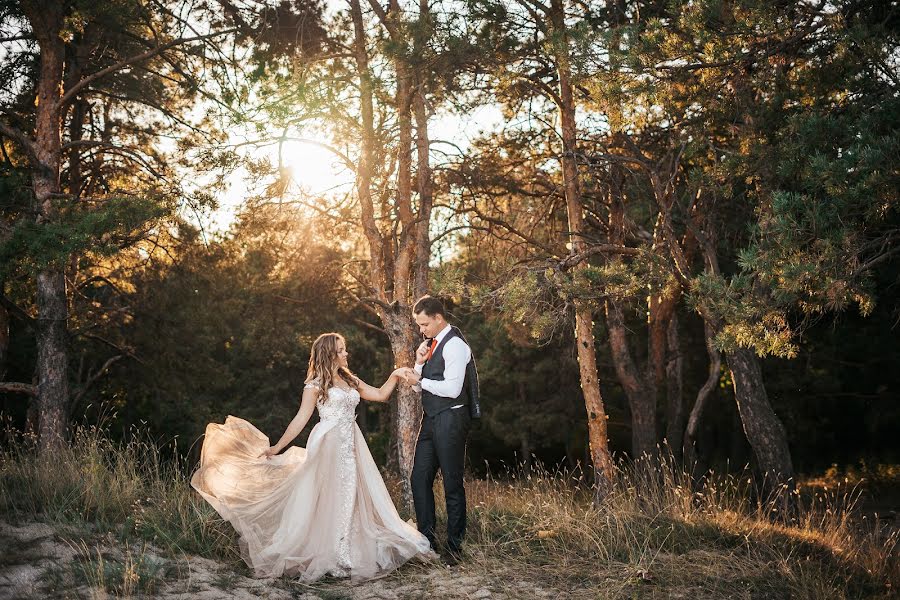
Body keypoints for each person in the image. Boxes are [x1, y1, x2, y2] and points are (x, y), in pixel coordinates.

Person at [190, 332, 435, 582]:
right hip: (328, 444)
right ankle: (336, 554)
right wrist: (276, 448)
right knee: (330, 496)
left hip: (351, 445)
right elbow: (300, 419)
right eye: (341, 350)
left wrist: (395, 374)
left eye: (345, 349)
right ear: (329, 353)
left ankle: (345, 551)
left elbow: (381, 395)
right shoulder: (316, 385)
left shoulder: (350, 380)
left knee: (351, 496)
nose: (346, 353)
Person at [402, 295, 480, 563]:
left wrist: (420, 379)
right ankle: (427, 542)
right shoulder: (429, 345)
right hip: (431, 418)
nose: (421, 330)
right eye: (419, 325)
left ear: (438, 318)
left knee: (452, 483)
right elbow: (416, 386)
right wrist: (419, 363)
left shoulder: (455, 345)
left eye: (424, 324)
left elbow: (452, 389)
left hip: (452, 418)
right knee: (419, 478)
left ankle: (454, 549)